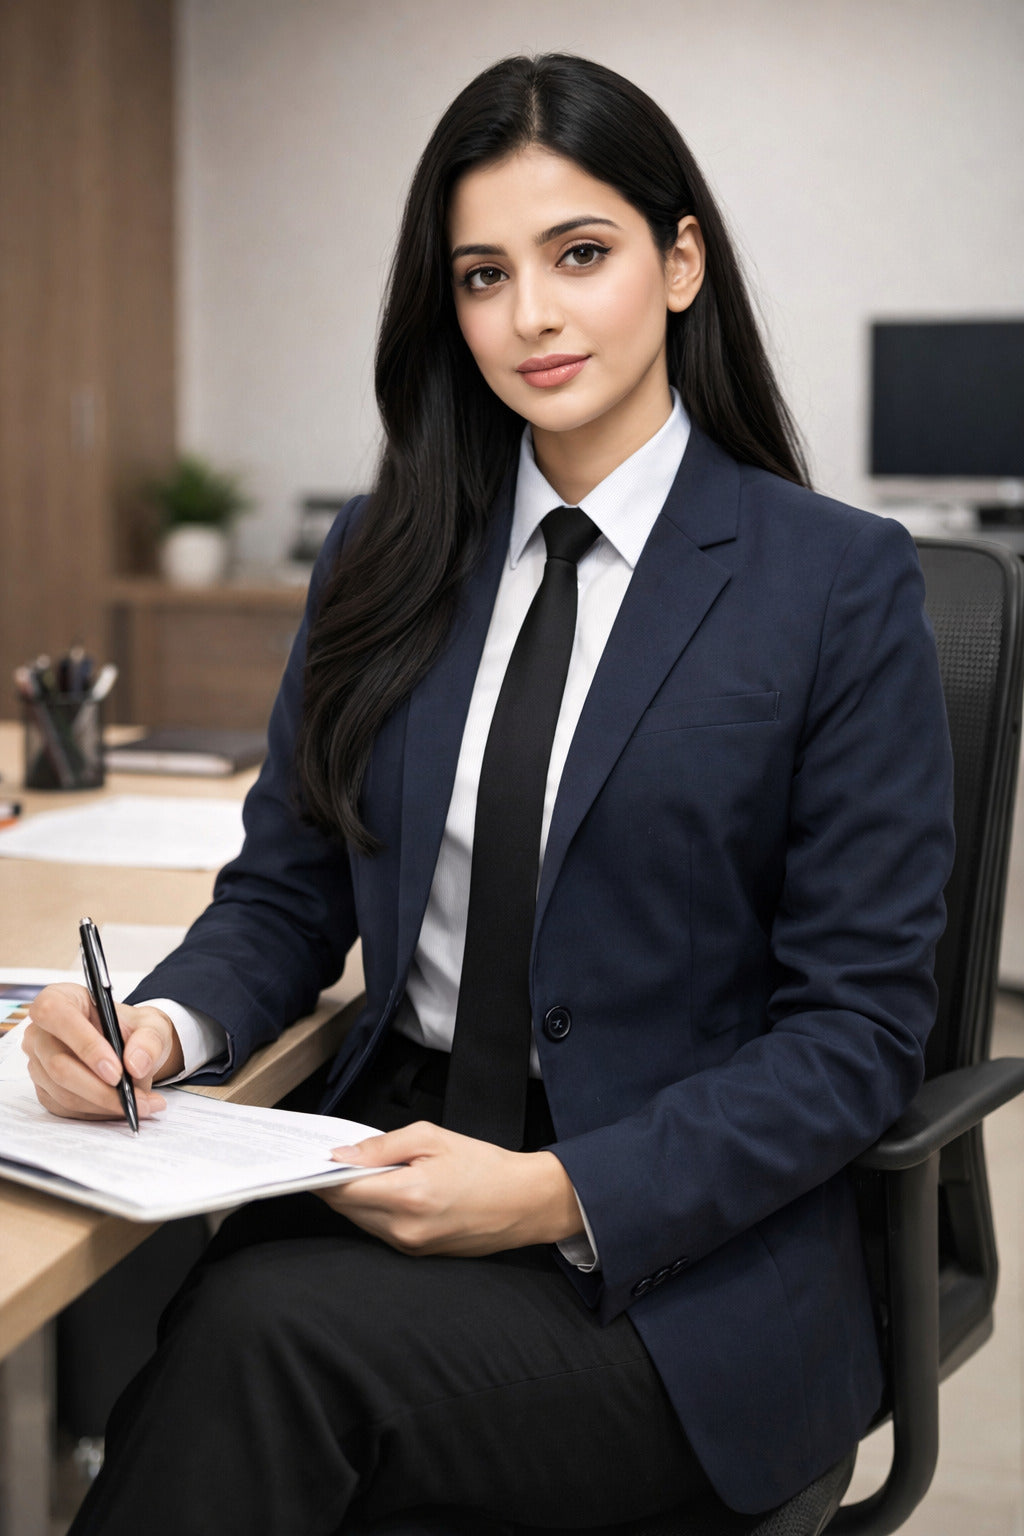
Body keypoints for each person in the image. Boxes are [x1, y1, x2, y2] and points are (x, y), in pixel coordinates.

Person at [24, 52, 954, 1536]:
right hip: (385, 1156)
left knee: (256, 1357)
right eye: (481, 273)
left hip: (666, 1259)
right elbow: (290, 888)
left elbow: (855, 1039)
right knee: (163, 1330)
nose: (530, 315)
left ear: (680, 261)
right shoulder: (387, 554)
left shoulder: (833, 583)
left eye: (578, 254)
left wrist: (555, 1192)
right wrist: (166, 1023)